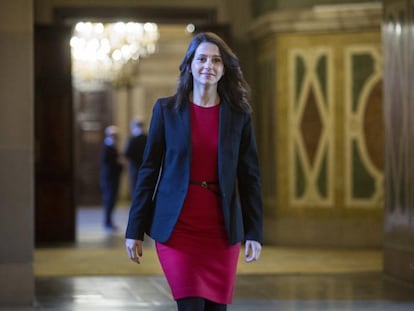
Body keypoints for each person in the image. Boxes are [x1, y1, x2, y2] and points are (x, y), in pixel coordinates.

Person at [125, 32, 263, 311]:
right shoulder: (166, 110)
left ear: (224, 69)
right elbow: (148, 170)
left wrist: (254, 232)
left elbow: (250, 177)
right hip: (178, 229)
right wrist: (134, 228)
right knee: (190, 305)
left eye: (216, 60)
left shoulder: (239, 116)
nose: (208, 66)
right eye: (201, 59)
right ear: (189, 64)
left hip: (221, 230)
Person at [100, 125, 123, 231]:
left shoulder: (112, 147)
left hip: (113, 178)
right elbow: (109, 163)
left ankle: (109, 221)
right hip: (109, 179)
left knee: (112, 201)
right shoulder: (107, 147)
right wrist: (119, 163)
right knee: (109, 201)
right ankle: (107, 222)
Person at [124, 118, 147, 196]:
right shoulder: (147, 138)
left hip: (134, 168)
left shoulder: (132, 139)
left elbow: (127, 154)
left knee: (135, 187)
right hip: (146, 166)